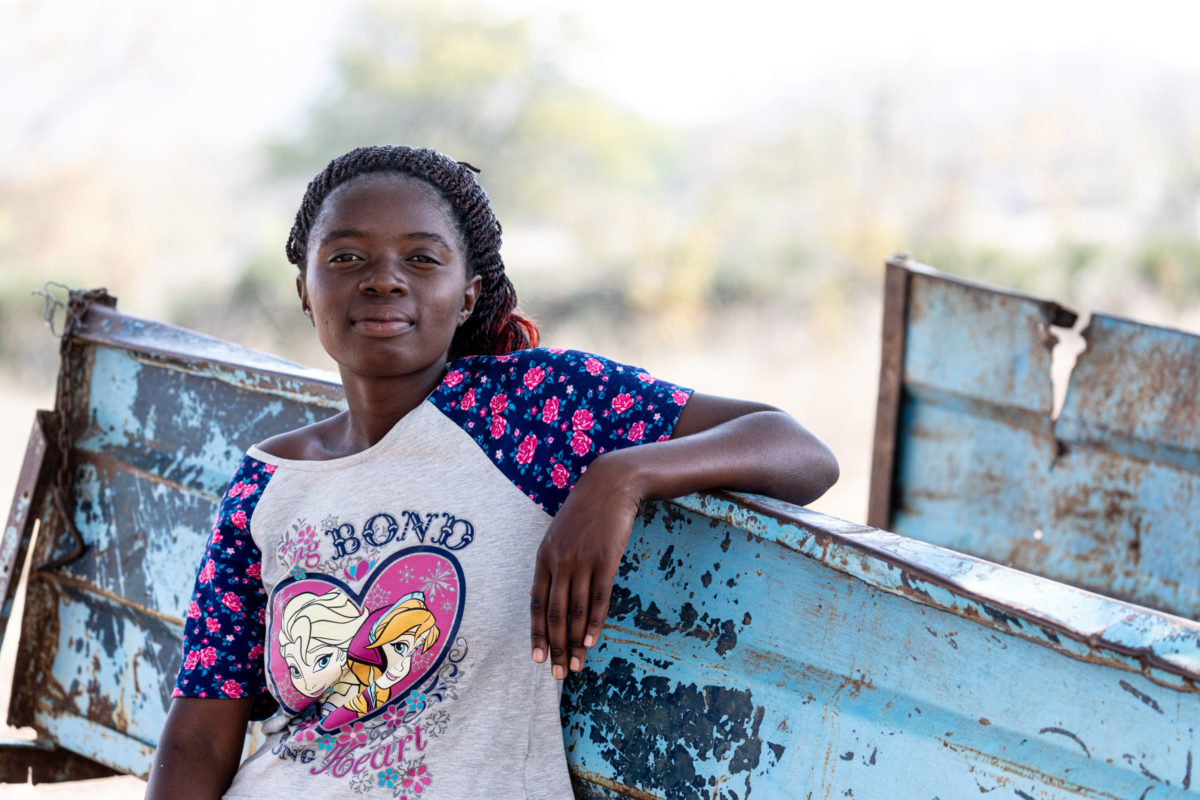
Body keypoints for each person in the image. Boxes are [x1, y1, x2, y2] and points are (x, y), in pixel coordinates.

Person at [146, 145, 838, 799]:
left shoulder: (532, 408)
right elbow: (200, 736)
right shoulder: (266, 483)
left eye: (421, 259)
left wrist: (620, 478)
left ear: (469, 295)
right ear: (305, 290)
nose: (383, 278)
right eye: (347, 255)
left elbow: (798, 451)